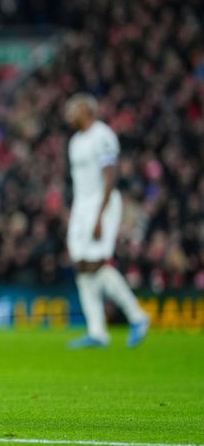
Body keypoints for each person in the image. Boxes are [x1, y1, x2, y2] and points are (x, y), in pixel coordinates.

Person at [64, 94, 150, 349]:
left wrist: (100, 214)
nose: (69, 114)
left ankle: (137, 316)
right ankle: (97, 332)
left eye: (73, 109)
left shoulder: (103, 136)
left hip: (101, 203)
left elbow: (110, 175)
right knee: (81, 264)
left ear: (86, 111)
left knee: (97, 263)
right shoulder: (75, 141)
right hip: (82, 205)